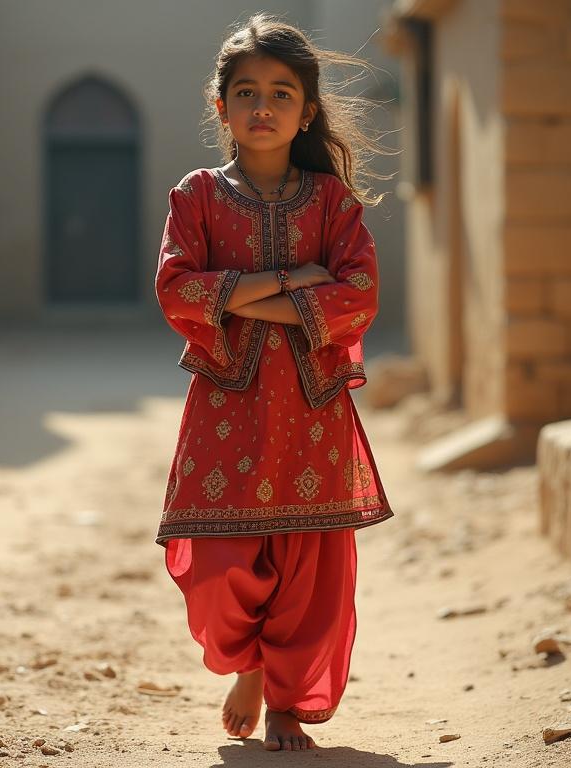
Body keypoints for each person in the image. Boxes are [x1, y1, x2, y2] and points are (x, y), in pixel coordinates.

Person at [154, 14, 395, 752]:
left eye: (282, 93)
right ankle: (248, 662)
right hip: (226, 405)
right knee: (222, 566)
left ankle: (285, 698)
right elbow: (174, 288)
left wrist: (235, 292)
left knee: (309, 566)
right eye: (247, 92)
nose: (264, 107)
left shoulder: (332, 204)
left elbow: (359, 291)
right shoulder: (195, 196)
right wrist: (294, 280)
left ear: (307, 111)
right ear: (220, 105)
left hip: (312, 408)